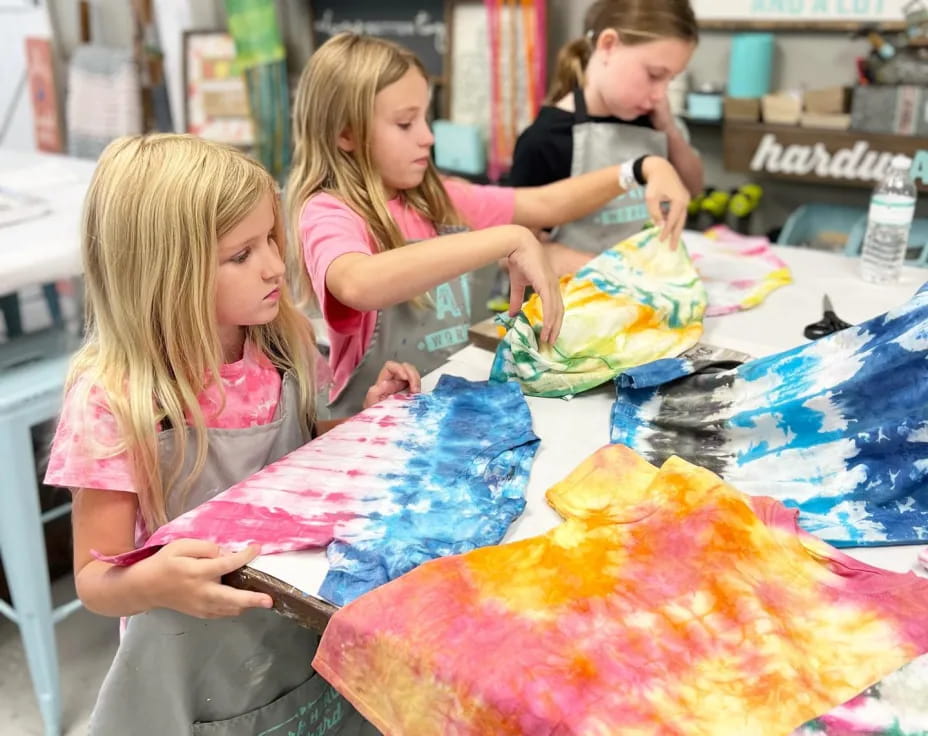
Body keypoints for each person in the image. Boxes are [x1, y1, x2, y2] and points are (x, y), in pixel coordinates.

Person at [45, 134, 411, 735]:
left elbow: (307, 450)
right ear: (167, 274)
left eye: (271, 238)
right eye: (242, 254)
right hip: (200, 648)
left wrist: (369, 417)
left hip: (300, 622)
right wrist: (157, 581)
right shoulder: (119, 401)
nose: (275, 264)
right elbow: (94, 580)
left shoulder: (279, 343)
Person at [286, 32, 690, 414]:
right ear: (346, 134)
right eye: (406, 123)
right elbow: (358, 284)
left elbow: (547, 203)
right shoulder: (329, 212)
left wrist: (639, 168)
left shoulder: (436, 197)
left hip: (442, 410)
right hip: (362, 433)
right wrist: (507, 239)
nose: (428, 137)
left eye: (426, 118)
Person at [511, 0, 703, 260]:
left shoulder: (656, 121)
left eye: (671, 80)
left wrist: (669, 128)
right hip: (577, 294)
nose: (660, 94)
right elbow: (511, 253)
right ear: (609, 45)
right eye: (655, 74)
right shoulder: (547, 139)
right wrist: (613, 273)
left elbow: (693, 188)